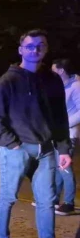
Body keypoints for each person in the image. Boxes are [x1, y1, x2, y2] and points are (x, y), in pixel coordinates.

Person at [0, 29, 72, 238]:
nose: (35, 50)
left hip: (46, 150)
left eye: (40, 45)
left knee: (47, 200)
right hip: (16, 149)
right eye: (30, 46)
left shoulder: (52, 80)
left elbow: (60, 116)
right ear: (21, 50)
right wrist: (13, 145)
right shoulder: (7, 82)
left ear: (46, 49)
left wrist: (64, 148)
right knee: (8, 196)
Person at [50, 58, 80, 215]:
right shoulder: (63, 86)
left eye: (54, 69)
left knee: (65, 168)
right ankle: (54, 199)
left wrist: (65, 124)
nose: (52, 72)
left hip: (69, 134)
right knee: (59, 167)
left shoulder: (76, 86)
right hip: (60, 133)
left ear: (61, 70)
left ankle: (69, 203)